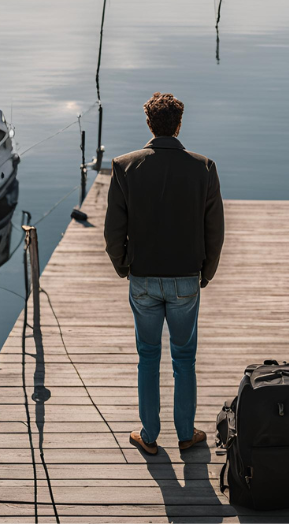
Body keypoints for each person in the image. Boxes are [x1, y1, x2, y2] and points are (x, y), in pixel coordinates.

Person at [104, 92, 225, 456]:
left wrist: (124, 265)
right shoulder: (203, 167)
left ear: (149, 125)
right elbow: (214, 230)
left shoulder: (125, 166)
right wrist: (206, 272)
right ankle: (186, 433)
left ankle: (150, 434)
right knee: (184, 358)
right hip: (186, 277)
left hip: (142, 277)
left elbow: (113, 233)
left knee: (148, 356)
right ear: (179, 124)